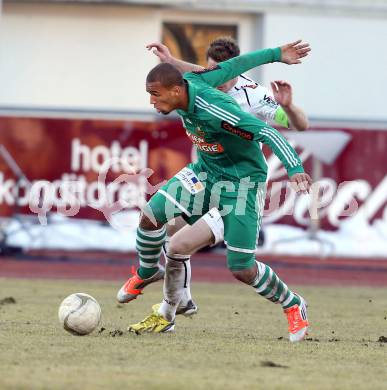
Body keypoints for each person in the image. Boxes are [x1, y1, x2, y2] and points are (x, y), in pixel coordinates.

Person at [118, 40, 312, 342]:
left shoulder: (220, 109)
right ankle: (148, 276)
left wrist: (295, 167)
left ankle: (293, 304)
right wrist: (276, 54)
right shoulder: (195, 81)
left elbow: (269, 130)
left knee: (241, 268)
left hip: (242, 184)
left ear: (175, 91)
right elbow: (234, 66)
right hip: (206, 174)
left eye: (155, 95)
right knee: (152, 218)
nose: (152, 103)